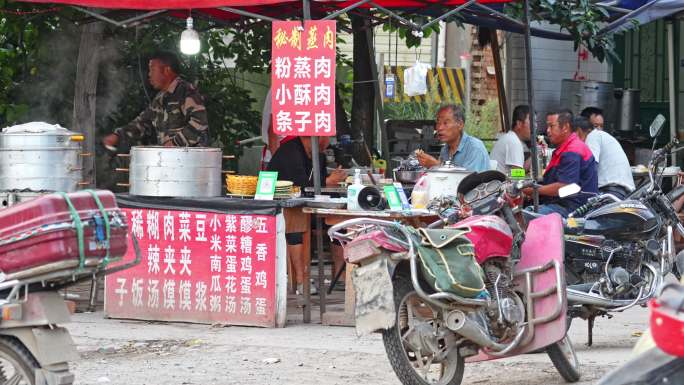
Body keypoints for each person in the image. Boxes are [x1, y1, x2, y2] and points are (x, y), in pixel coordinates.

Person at [267, 136, 346, 295]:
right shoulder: (291, 151)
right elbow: (299, 182)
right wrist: (328, 181)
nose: (327, 144)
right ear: (311, 138)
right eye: (324, 140)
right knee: (296, 229)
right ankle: (301, 279)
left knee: (339, 223)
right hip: (282, 205)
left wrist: (331, 183)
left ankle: (340, 277)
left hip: (308, 204)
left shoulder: (319, 155)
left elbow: (319, 184)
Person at [102, 51, 209, 150]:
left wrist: (175, 143)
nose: (149, 75)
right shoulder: (160, 98)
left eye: (152, 69)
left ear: (167, 70)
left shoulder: (185, 91)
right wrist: (118, 136)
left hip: (190, 163)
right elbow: (143, 123)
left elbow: (200, 122)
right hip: (169, 162)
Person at [524, 109, 598, 217]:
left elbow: (564, 186)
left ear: (565, 127)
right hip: (560, 203)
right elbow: (519, 170)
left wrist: (532, 189)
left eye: (551, 126)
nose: (547, 131)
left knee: (525, 216)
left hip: (572, 208)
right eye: (532, 122)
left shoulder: (572, 150)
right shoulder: (562, 149)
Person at [574, 115, 635, 199]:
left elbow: (590, 167)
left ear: (578, 131)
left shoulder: (592, 136)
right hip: (623, 192)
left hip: (612, 192)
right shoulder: (602, 136)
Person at [416, 104, 490, 172]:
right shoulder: (445, 150)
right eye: (438, 123)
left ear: (460, 125)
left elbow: (468, 182)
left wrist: (436, 166)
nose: (439, 128)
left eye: (445, 123)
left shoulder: (474, 148)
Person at [490, 105, 530, 175]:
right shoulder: (513, 142)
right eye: (532, 123)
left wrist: (536, 153)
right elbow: (517, 176)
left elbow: (518, 171)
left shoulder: (510, 138)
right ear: (519, 124)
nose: (535, 127)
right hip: (500, 185)